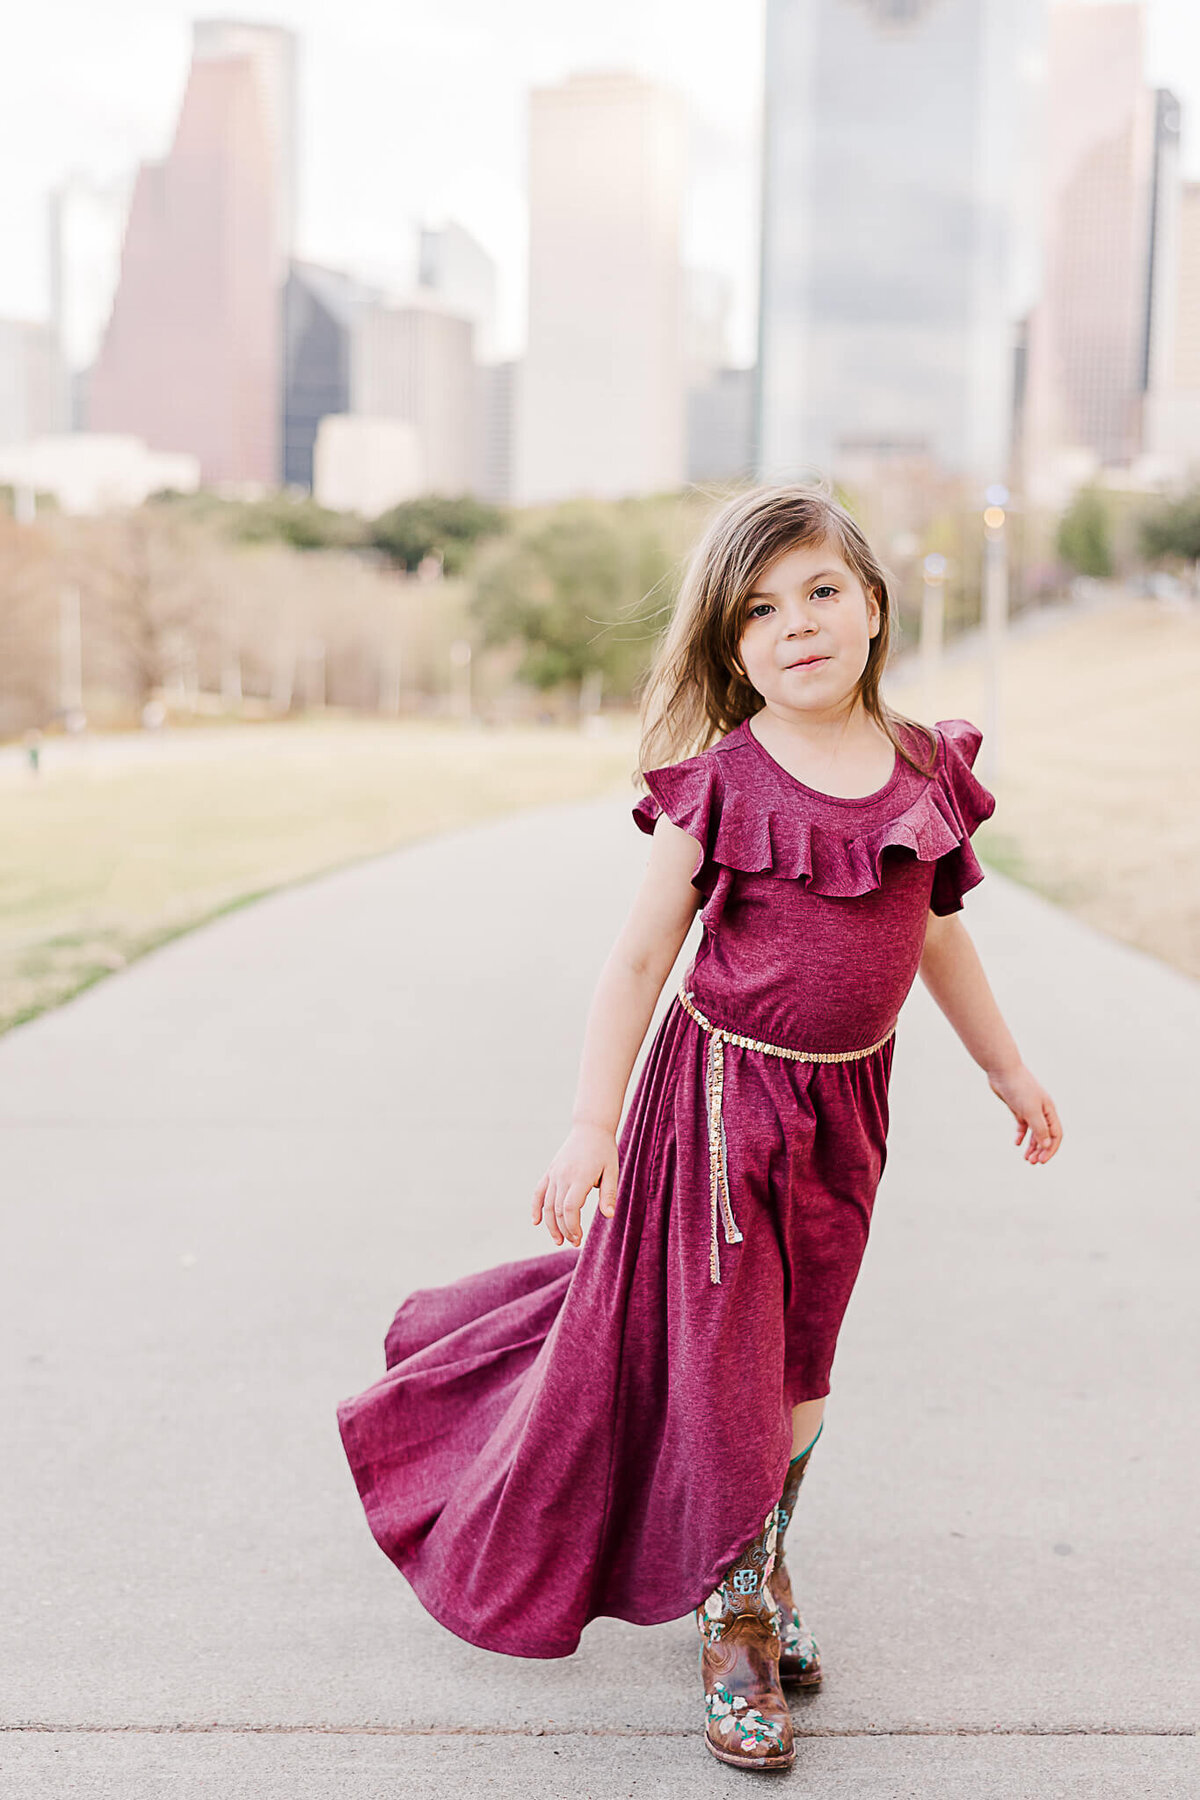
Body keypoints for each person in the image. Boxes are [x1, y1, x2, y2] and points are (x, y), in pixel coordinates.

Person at [337, 484, 1063, 1773]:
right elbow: (634, 966)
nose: (796, 627)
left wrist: (1007, 1069)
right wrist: (586, 1126)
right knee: (729, 1373)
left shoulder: (924, 768)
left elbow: (940, 933)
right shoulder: (720, 785)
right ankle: (731, 1621)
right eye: (760, 612)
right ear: (732, 649)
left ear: (875, 606)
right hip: (717, 1115)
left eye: (821, 593)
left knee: (802, 1371)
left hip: (849, 1109)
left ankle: (766, 1556)